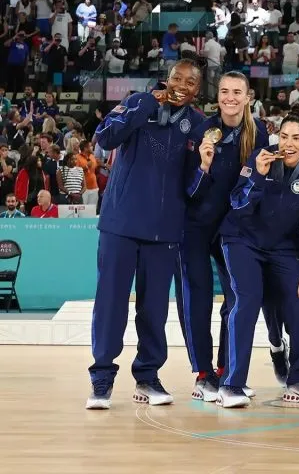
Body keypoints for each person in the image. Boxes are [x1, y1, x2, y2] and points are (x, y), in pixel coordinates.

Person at [87, 60, 206, 410]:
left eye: (190, 81)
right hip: (120, 224)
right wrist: (148, 105)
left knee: (153, 310)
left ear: (198, 90)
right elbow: (106, 137)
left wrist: (204, 168)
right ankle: (102, 378)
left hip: (165, 230)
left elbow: (192, 185)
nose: (182, 85)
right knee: (110, 304)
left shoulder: (197, 124)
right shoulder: (139, 102)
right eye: (177, 78)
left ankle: (148, 376)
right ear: (166, 79)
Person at [218, 114, 299, 408]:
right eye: (284, 137)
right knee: (247, 299)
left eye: (297, 138)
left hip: (283, 249)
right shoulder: (261, 158)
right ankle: (231, 384)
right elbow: (237, 206)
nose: (289, 144)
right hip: (242, 240)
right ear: (276, 138)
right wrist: (257, 175)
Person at [175, 71, 269, 403]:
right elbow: (186, 190)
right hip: (195, 227)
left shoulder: (260, 134)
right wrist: (202, 167)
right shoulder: (202, 131)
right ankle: (204, 374)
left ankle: (229, 371)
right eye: (225, 91)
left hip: (235, 229)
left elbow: (261, 187)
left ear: (248, 97)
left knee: (238, 299)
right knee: (197, 299)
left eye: (237, 92)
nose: (230, 97)